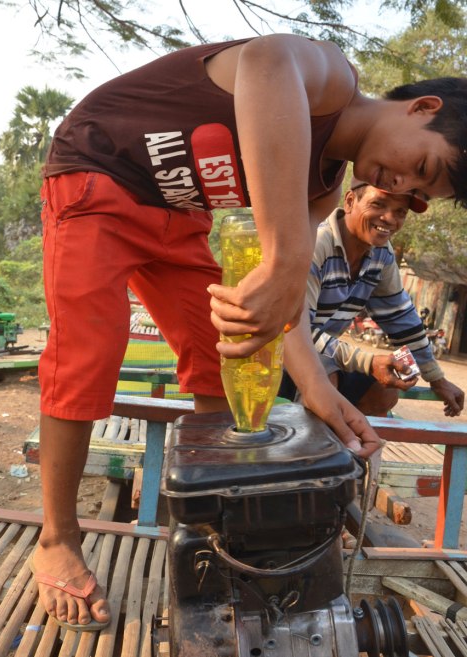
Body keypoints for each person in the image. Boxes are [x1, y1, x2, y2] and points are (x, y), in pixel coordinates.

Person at [34, 34, 467, 629]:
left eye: (417, 194)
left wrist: (319, 391)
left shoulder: (321, 190)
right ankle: (57, 538)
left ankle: (216, 528)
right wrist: (289, 257)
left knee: (228, 355)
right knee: (89, 353)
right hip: (98, 173)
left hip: (178, 219)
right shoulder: (331, 78)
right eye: (420, 167)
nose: (401, 186)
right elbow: (266, 61)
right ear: (422, 108)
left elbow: (277, 314)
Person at [280, 178, 465, 417]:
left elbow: (401, 320)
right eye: (378, 204)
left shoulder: (381, 254)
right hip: (281, 351)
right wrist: (368, 361)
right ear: (349, 201)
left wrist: (436, 379)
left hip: (324, 352)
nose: (389, 218)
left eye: (400, 212)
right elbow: (298, 332)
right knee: (327, 376)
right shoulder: (316, 244)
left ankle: (355, 453)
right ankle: (312, 451)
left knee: (384, 390)